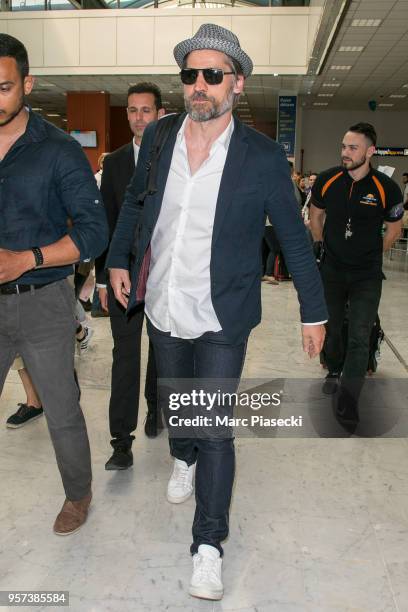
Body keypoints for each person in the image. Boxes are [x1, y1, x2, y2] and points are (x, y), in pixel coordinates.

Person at [107, 23, 327, 601]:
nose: (199, 85)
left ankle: (209, 544)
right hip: (163, 302)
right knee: (178, 405)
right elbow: (134, 203)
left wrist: (314, 312)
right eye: (190, 75)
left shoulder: (260, 156)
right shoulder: (159, 138)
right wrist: (117, 262)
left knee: (215, 428)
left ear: (238, 83)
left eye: (212, 75)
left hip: (223, 312)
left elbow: (295, 241)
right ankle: (181, 457)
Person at [0, 34, 108, 534]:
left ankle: (78, 495)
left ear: (27, 84)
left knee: (62, 410)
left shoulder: (59, 150)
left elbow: (93, 232)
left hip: (43, 302)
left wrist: (28, 259)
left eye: (3, 88)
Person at [310, 122, 403, 426]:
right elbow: (316, 215)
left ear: (370, 151)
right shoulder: (327, 180)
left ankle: (349, 399)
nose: (345, 153)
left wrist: (374, 254)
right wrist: (323, 245)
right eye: (343, 147)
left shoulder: (385, 188)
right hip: (332, 271)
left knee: (360, 335)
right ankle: (334, 368)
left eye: (353, 148)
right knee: (334, 328)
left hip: (367, 276)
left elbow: (394, 228)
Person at [95, 83, 165, 471]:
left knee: (161, 349)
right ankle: (121, 440)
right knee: (124, 356)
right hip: (123, 276)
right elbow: (107, 221)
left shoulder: (174, 159)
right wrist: (103, 279)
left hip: (162, 277)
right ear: (127, 115)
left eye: (146, 111)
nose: (139, 118)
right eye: (133, 111)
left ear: (159, 114)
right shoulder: (116, 163)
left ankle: (157, 408)